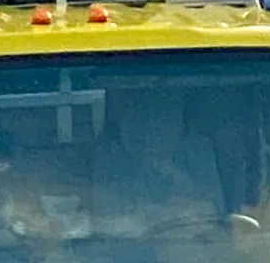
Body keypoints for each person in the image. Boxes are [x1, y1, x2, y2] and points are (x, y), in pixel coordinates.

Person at [91, 91, 226, 240]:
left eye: (164, 118)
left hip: (187, 251)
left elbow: (213, 219)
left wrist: (171, 172)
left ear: (181, 125)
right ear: (123, 123)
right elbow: (102, 219)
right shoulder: (109, 157)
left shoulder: (199, 154)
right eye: (140, 118)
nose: (151, 129)